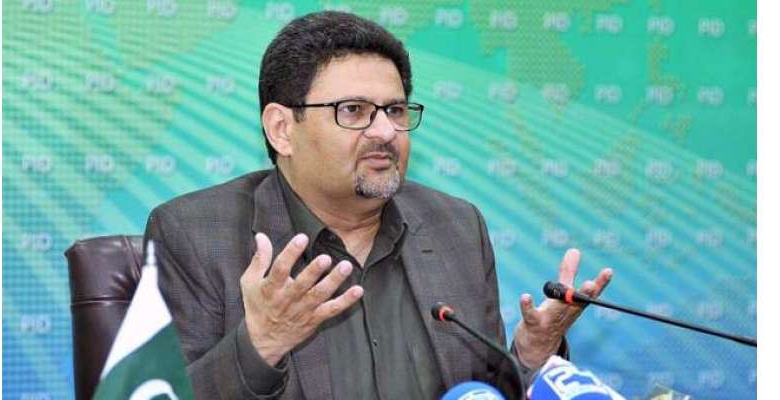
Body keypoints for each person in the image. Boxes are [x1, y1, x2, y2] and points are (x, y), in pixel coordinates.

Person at [144, 10, 613, 400]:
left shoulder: (456, 226)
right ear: (282, 129)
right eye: (353, 111)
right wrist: (259, 345)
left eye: (395, 110)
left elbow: (482, 391)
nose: (386, 132)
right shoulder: (194, 234)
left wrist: (531, 355)